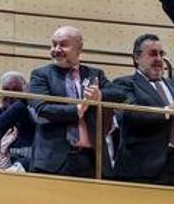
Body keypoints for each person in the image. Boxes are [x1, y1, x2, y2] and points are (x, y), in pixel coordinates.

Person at [28, 25, 124, 177]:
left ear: (79, 49)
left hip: (92, 160)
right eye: (54, 44)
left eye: (63, 44)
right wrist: (78, 109)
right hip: (53, 161)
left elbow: (120, 94)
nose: (56, 49)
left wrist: (100, 95)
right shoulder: (40, 75)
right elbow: (42, 109)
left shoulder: (95, 74)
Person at [109, 33, 174, 185]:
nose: (159, 59)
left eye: (161, 54)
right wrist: (170, 109)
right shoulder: (124, 84)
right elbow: (129, 116)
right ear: (136, 58)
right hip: (141, 167)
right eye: (153, 54)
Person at [0, 71, 34, 167]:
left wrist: (25, 99)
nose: (10, 96)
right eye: (6, 90)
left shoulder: (30, 116)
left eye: (15, 90)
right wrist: (24, 99)